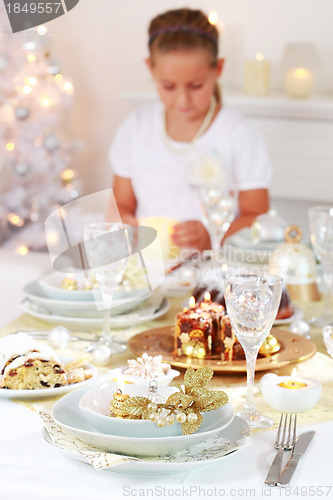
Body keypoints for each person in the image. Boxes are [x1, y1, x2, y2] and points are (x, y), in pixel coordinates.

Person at [108, 7, 272, 253]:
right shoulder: (136, 127)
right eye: (168, 86)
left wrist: (212, 235)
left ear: (218, 69)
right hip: (149, 268)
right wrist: (126, 227)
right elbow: (121, 203)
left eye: (196, 85)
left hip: (214, 271)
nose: (183, 99)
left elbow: (256, 216)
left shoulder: (239, 134)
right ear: (151, 69)